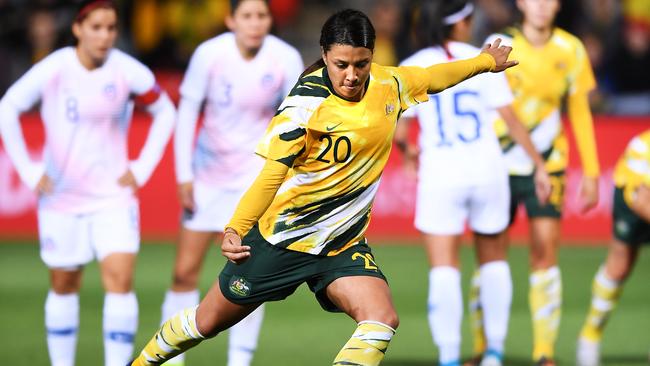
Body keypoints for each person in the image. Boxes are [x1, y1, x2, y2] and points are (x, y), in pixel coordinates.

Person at [129, 8, 517, 366]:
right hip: (283, 241)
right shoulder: (304, 106)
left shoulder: (388, 84)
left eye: (361, 64)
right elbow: (270, 177)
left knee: (381, 319)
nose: (351, 75)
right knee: (206, 323)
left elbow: (433, 77)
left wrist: (485, 63)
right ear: (324, 55)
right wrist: (234, 227)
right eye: (341, 64)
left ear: (372, 56)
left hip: (341, 245)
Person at [0, 1, 175, 366]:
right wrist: (30, 171)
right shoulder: (55, 69)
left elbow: (164, 110)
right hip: (62, 197)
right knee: (64, 285)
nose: (105, 35)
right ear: (79, 29)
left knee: (120, 282)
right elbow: (8, 108)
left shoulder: (126, 71)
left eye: (111, 28)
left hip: (113, 197)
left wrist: (141, 168)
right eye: (96, 27)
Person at [395, 2, 551, 366]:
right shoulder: (483, 57)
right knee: (494, 261)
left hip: (441, 174)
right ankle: (494, 353)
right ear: (463, 22)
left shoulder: (414, 63)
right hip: (486, 170)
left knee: (444, 268)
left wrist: (408, 152)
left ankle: (449, 357)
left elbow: (400, 129)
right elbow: (510, 118)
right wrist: (539, 164)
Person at [162, 0, 304, 365]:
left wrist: (288, 178)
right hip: (208, 178)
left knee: (247, 278)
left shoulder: (285, 58)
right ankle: (172, 357)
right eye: (247, 16)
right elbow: (188, 111)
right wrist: (183, 175)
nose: (255, 24)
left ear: (270, 20)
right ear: (230, 19)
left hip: (255, 184)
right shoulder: (209, 55)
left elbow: (297, 118)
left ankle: (239, 361)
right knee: (184, 272)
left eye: (262, 16)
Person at [467, 1, 602, 365]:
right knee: (490, 258)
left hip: (549, 167)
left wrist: (590, 171)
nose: (541, 6)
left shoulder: (571, 48)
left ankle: (544, 353)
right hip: (497, 165)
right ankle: (484, 349)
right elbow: (479, 100)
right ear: (521, 4)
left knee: (545, 254)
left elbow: (579, 110)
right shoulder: (500, 42)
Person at [575, 130, 650, 366]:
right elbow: (640, 201)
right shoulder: (643, 147)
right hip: (634, 200)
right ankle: (590, 335)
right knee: (619, 268)